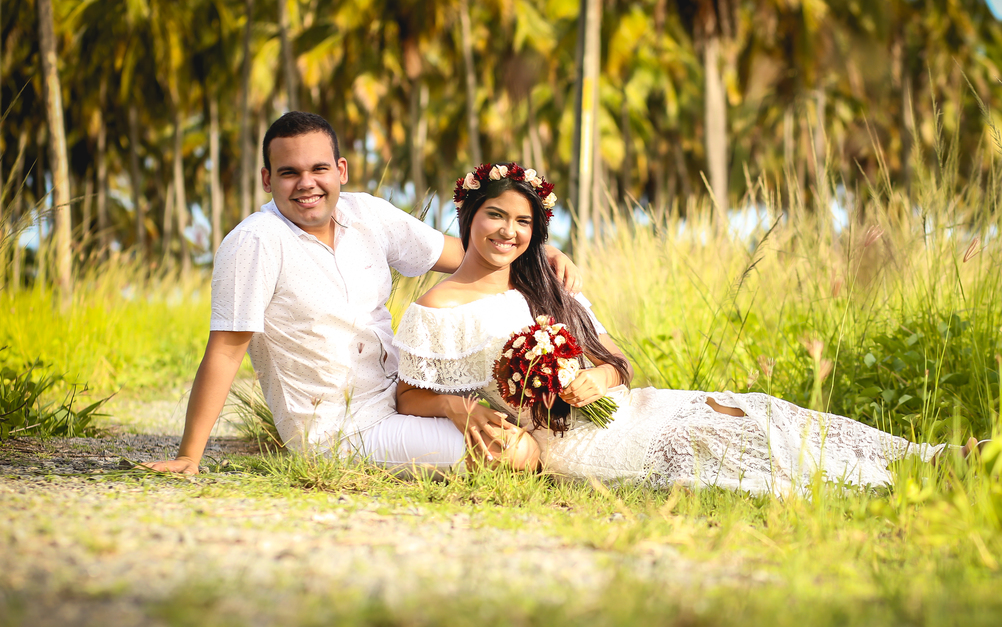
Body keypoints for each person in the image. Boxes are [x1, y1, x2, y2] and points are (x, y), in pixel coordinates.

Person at [390, 162, 960, 498]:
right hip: (566, 443)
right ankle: (885, 480)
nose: (508, 232)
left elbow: (615, 360)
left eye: (523, 222)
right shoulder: (435, 309)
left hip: (626, 408)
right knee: (709, 444)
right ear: (469, 217)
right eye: (495, 215)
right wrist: (459, 409)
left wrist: (599, 380)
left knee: (750, 408)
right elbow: (408, 395)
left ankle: (927, 455)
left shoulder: (547, 283)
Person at [146, 114, 579, 475]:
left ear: (341, 170)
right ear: (267, 179)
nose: (306, 184)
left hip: (407, 398)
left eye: (318, 169)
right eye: (289, 172)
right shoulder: (255, 243)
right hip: (340, 429)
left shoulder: (365, 214)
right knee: (518, 453)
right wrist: (189, 456)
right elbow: (225, 351)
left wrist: (539, 253)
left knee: (545, 426)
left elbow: (463, 254)